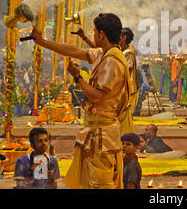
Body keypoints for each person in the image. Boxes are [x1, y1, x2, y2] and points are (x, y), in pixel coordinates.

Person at [31, 13, 133, 189]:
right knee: (90, 181)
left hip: (102, 136)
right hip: (95, 131)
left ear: (101, 34)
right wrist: (43, 42)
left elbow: (96, 96)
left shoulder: (112, 61)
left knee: (100, 183)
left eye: (94, 32)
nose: (93, 36)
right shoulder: (104, 53)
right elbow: (74, 51)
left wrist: (78, 77)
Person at [118, 27, 138, 135]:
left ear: (124, 38)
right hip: (124, 88)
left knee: (126, 117)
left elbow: (128, 66)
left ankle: (127, 139)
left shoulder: (129, 52)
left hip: (129, 89)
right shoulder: (123, 51)